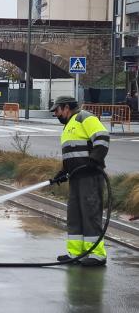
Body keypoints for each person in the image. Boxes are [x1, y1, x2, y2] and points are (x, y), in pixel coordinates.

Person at [50, 96, 109, 267]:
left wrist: (94, 160)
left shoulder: (84, 117)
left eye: (57, 110)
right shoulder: (69, 126)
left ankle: (97, 254)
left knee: (90, 213)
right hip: (76, 178)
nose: (56, 114)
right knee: (74, 216)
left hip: (90, 177)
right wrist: (62, 172)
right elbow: (71, 156)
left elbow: (102, 138)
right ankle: (76, 253)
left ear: (66, 107)